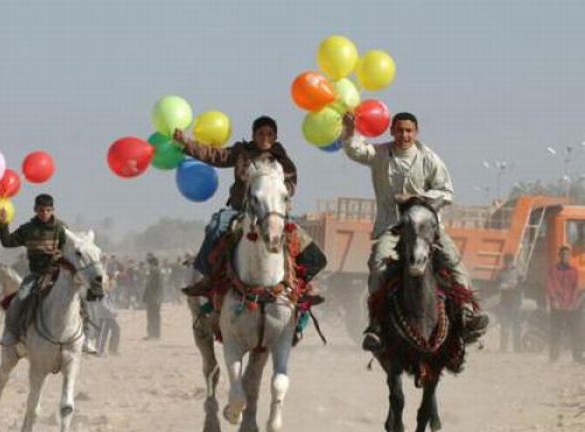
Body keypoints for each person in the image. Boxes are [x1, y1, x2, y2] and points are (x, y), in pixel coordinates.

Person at [341, 111, 488, 351]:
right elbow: (355, 150)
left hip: (426, 227)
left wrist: (418, 197)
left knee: (455, 263)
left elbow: (446, 192)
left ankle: (467, 316)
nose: (404, 135)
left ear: (416, 132)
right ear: (392, 131)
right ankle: (376, 324)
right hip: (393, 227)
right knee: (378, 263)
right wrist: (349, 130)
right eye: (399, 130)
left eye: (408, 131)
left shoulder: (429, 158)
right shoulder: (380, 154)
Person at [173, 115, 327, 301]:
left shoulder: (282, 159)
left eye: (270, 134)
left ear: (275, 137)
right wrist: (186, 144)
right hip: (240, 210)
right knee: (215, 226)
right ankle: (207, 278)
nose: (265, 137)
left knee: (308, 249)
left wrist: (280, 192)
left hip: (273, 212)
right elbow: (215, 155)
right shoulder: (241, 152)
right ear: (253, 135)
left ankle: (304, 286)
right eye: (261, 133)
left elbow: (291, 183)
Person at [0, 193, 67, 346]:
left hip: (58, 274)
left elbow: (69, 248)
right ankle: (12, 333)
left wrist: (60, 254)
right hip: (36, 274)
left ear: (52, 210)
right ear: (35, 210)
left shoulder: (61, 228)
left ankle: (86, 335)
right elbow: (7, 242)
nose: (44, 214)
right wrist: (3, 224)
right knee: (21, 297)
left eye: (48, 210)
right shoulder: (28, 229)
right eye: (41, 210)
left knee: (80, 295)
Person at [546, 245, 584, 363]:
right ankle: (553, 357)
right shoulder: (553, 270)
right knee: (556, 332)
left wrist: (574, 304)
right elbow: (549, 286)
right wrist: (554, 301)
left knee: (576, 332)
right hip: (557, 307)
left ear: (569, 256)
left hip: (571, 307)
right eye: (563, 255)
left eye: (567, 255)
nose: (565, 257)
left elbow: (576, 288)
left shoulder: (574, 270)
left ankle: (577, 357)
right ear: (559, 256)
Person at [496, 254, 523, 352]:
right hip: (504, 302)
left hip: (515, 301)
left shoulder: (519, 272)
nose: (508, 265)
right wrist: (503, 286)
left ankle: (518, 348)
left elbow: (521, 286)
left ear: (513, 262)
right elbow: (497, 285)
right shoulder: (501, 273)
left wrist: (514, 287)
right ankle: (503, 348)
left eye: (509, 263)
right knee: (504, 325)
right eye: (506, 263)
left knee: (516, 326)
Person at [143, 254, 164, 340]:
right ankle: (151, 334)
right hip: (150, 299)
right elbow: (147, 286)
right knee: (150, 316)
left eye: (149, 264)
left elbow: (159, 287)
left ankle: (156, 335)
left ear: (153, 264)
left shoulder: (157, 273)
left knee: (155, 316)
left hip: (155, 299)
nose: (148, 266)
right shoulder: (151, 273)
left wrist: (158, 298)